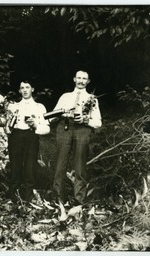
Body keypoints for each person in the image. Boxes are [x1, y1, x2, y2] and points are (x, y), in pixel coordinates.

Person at [52, 70, 102, 205]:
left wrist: (85, 121)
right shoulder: (65, 96)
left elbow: (98, 122)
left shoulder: (92, 99)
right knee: (60, 164)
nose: (81, 81)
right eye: (78, 78)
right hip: (65, 127)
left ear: (88, 81)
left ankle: (78, 200)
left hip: (82, 130)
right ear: (74, 79)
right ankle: (58, 199)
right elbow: (54, 114)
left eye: (84, 78)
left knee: (80, 165)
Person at [6, 81, 50, 202]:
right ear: (19, 91)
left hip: (31, 137)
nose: (25, 90)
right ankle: (13, 198)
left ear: (33, 89)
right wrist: (8, 126)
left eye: (27, 87)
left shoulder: (39, 107)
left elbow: (47, 128)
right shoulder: (13, 106)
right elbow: (7, 128)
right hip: (16, 136)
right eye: (22, 88)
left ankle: (27, 198)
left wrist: (36, 125)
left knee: (30, 167)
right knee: (15, 167)